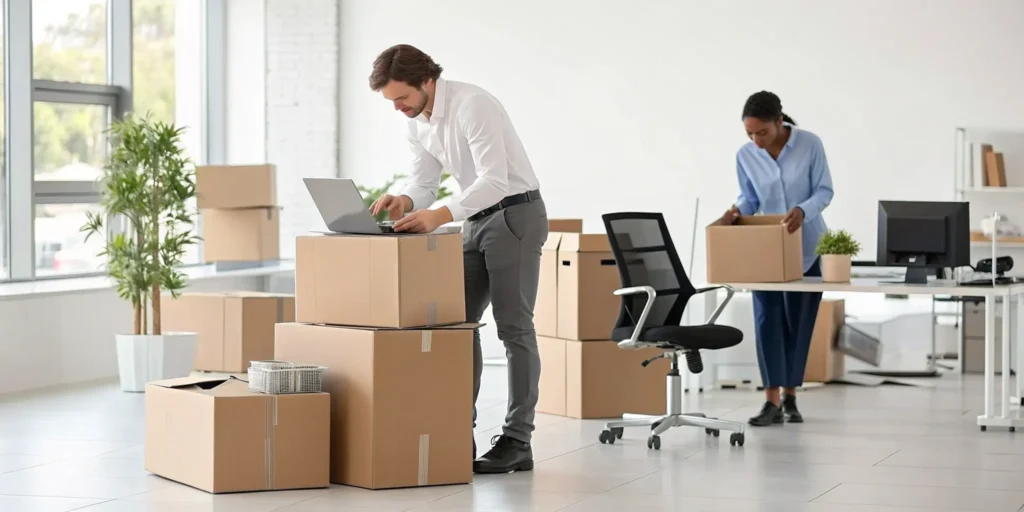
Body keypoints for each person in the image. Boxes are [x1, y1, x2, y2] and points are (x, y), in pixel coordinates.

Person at [367, 44, 546, 474]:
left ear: (427, 81)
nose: (398, 108)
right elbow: (425, 181)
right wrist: (407, 199)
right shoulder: (418, 121)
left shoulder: (473, 105)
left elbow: (494, 179)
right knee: (457, 325)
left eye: (401, 98)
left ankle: (517, 440)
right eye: (391, 101)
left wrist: (440, 215)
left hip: (514, 214)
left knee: (514, 327)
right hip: (473, 221)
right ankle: (455, 428)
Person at [716, 91, 834, 427]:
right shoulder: (745, 155)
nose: (756, 140)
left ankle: (790, 397)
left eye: (762, 133)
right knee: (767, 319)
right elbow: (750, 198)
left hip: (808, 247)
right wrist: (737, 212)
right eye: (749, 134)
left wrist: (802, 210)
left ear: (779, 122)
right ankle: (770, 401)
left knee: (798, 322)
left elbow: (824, 191)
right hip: (765, 250)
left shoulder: (810, 145)